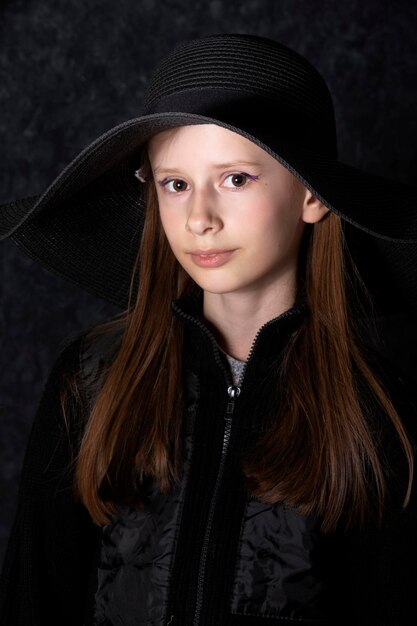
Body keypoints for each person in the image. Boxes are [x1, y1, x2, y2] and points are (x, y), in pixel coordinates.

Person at [0, 33, 417, 626]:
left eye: (235, 179)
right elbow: (34, 597)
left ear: (312, 196)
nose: (199, 218)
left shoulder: (381, 416)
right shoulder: (91, 385)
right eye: (175, 184)